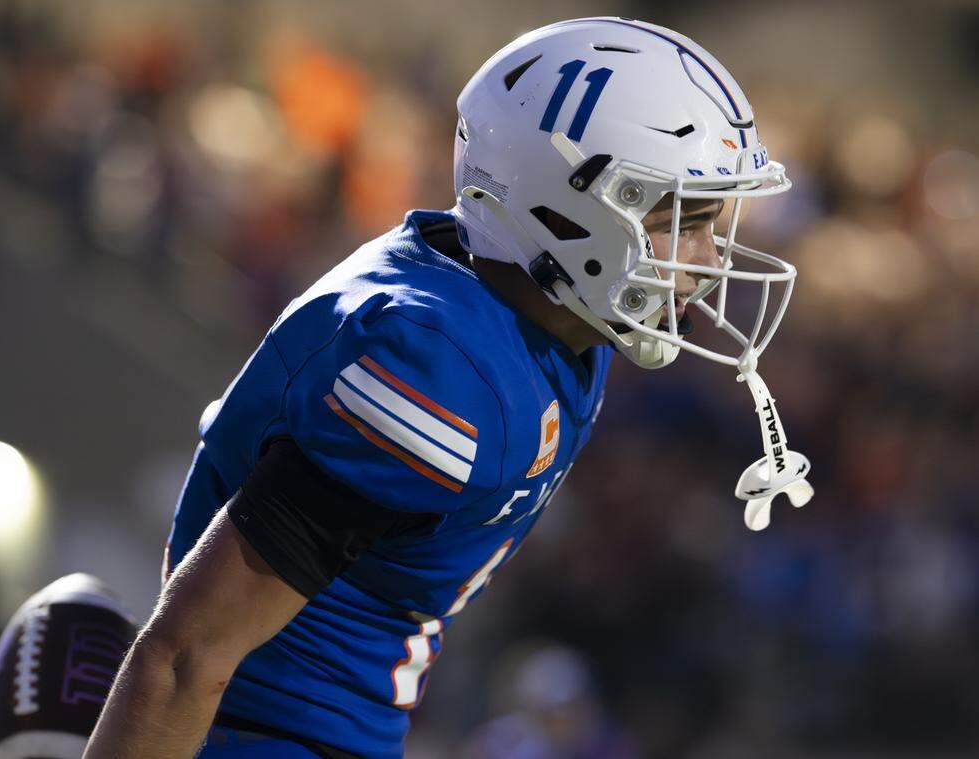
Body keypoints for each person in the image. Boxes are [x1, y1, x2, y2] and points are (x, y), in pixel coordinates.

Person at [84, 17, 813, 759]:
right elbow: (183, 659)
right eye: (677, 221)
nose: (704, 260)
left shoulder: (547, 314)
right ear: (566, 207)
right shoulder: (441, 367)